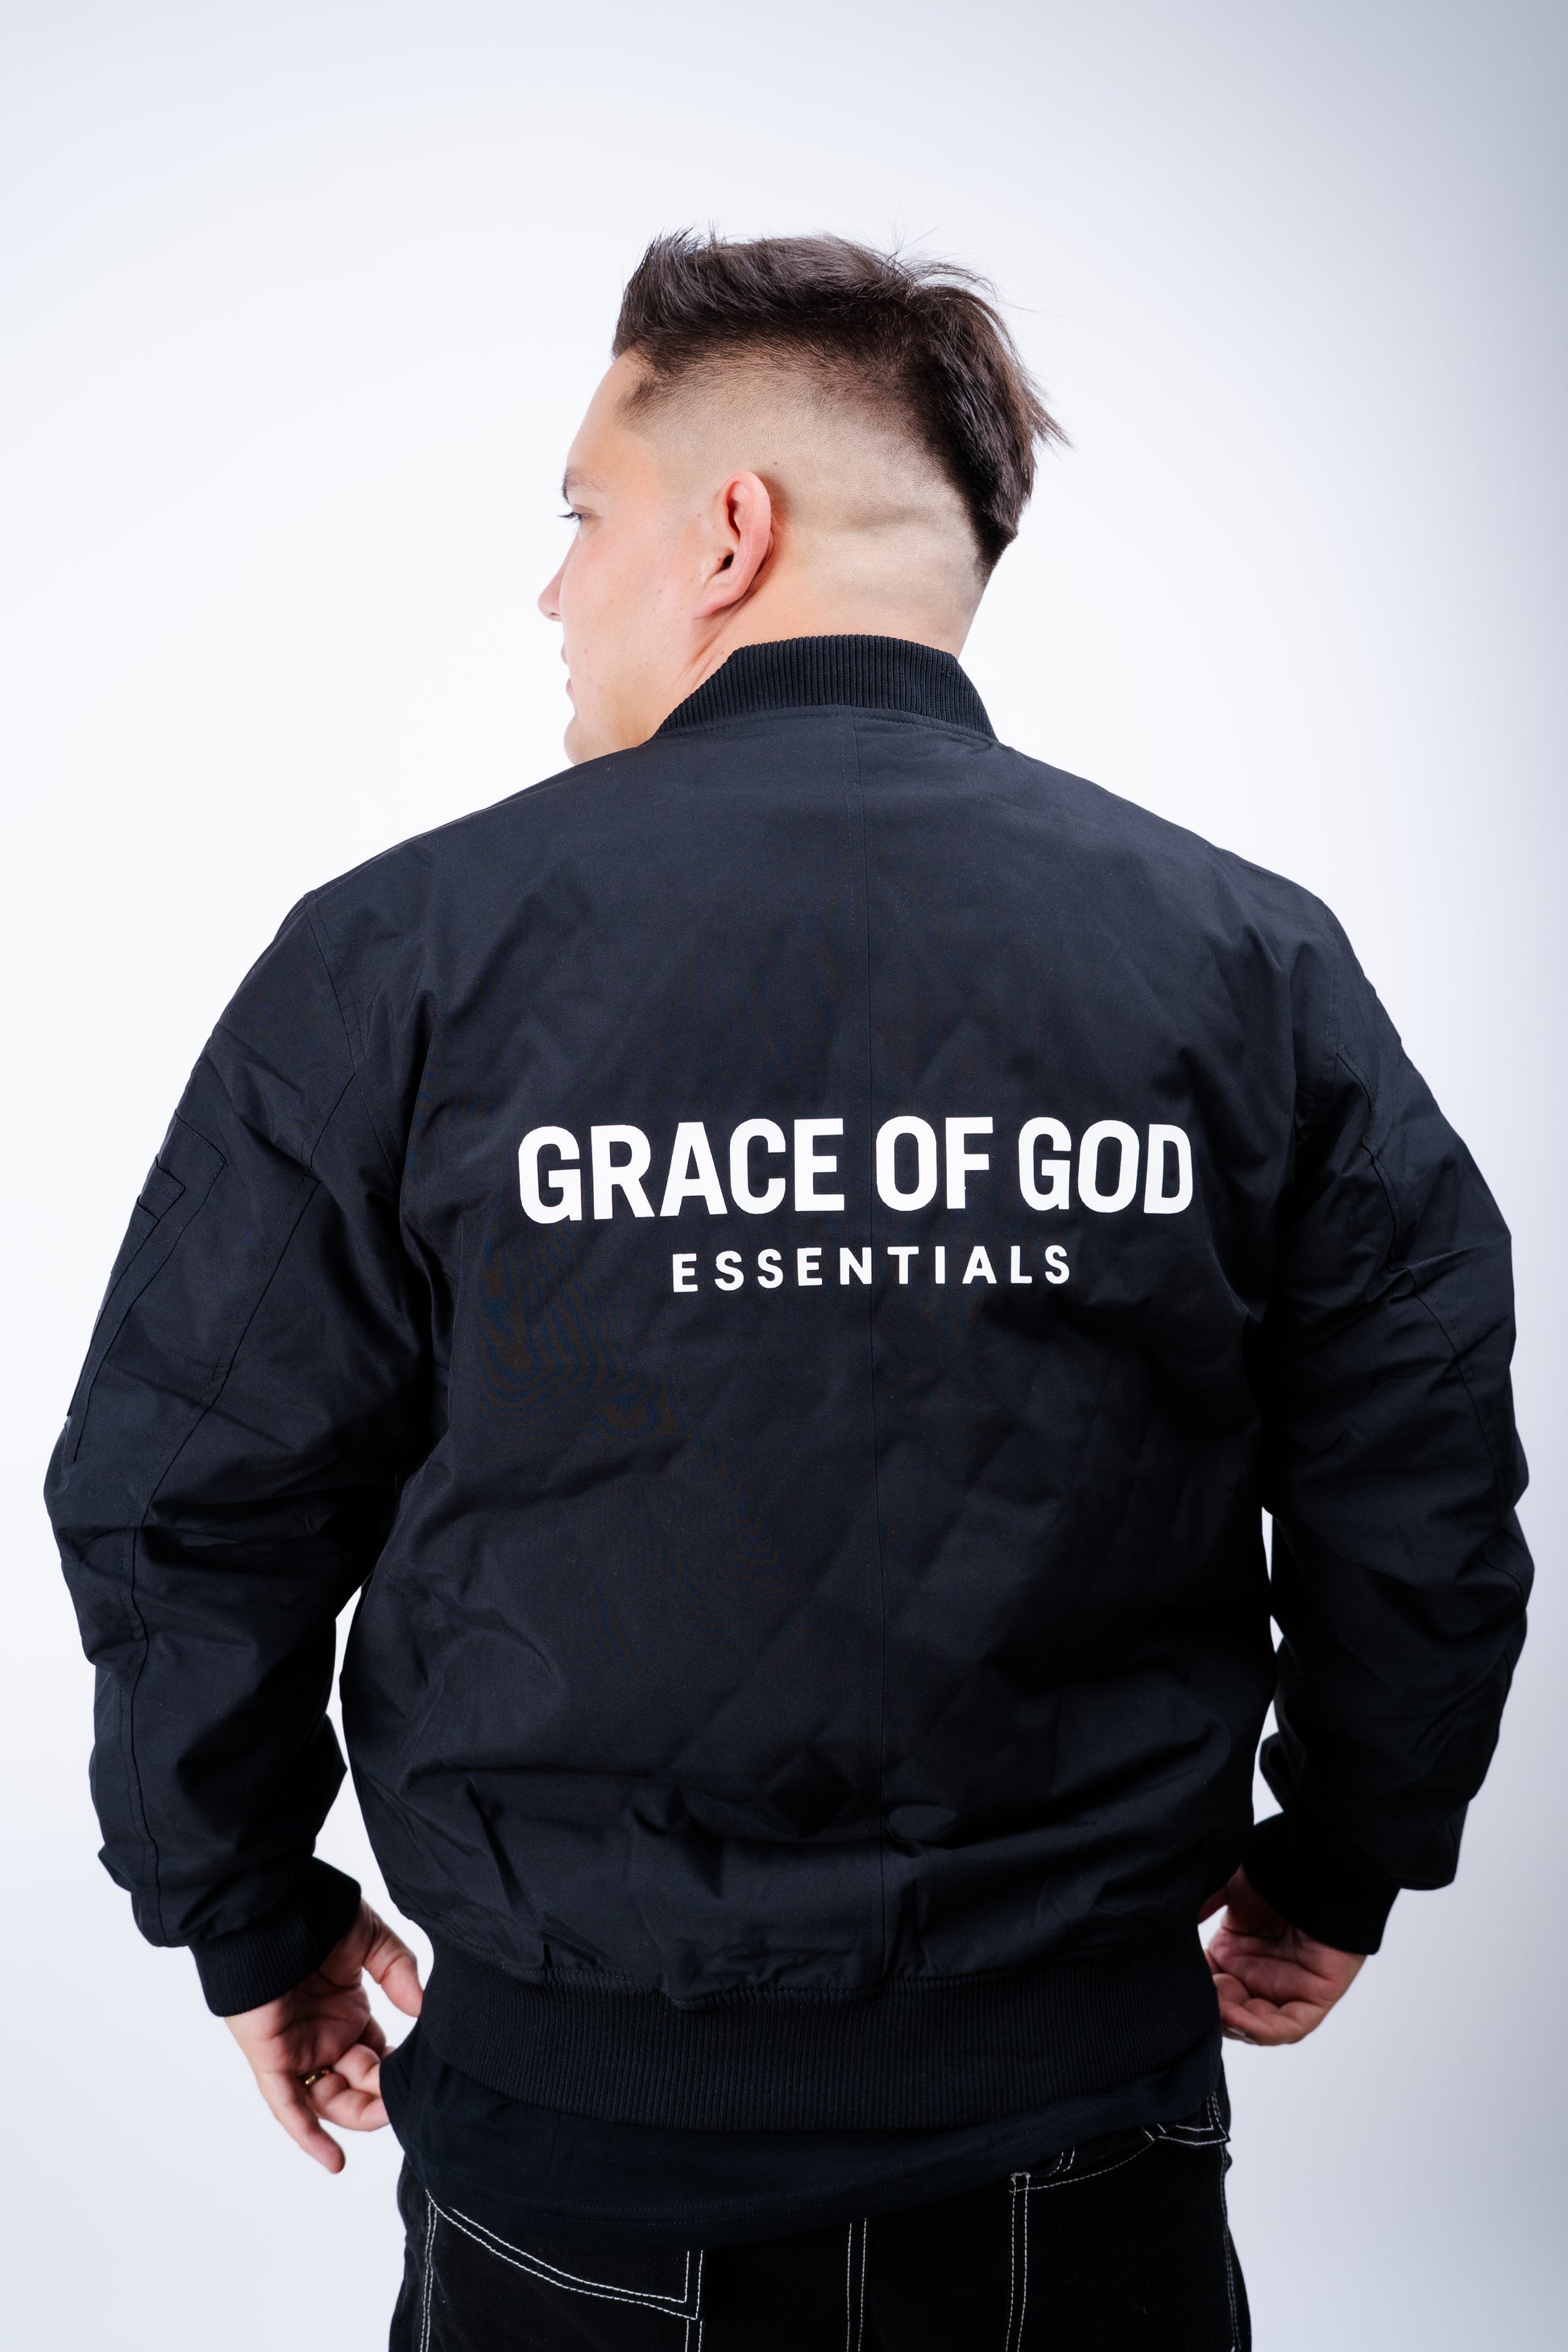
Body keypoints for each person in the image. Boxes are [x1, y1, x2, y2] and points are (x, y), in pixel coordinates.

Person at [47, 231, 1531, 2352]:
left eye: (585, 515)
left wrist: (246, 1912)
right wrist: (1342, 1855)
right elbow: (1421, 1478)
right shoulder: (1245, 964)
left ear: (729, 533)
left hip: (574, 2155)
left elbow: (189, 1489)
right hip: (1076, 2143)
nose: (552, 590)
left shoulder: (402, 957)